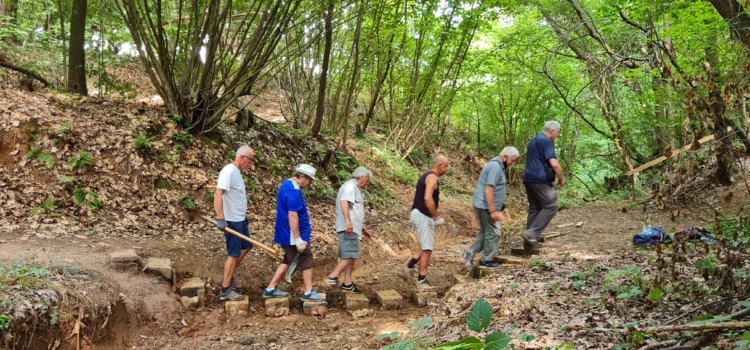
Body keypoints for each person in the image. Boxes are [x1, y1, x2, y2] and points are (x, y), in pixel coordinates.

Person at [263, 164, 325, 301]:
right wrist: (297, 239)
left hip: (286, 232)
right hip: (292, 234)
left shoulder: (286, 184)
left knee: (288, 259)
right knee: (306, 258)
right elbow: (292, 216)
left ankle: (270, 289)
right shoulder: (294, 190)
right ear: (302, 176)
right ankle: (308, 292)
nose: (309, 184)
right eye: (309, 180)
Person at [462, 146, 520, 269]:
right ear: (505, 157)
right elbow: (489, 189)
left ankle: (469, 253)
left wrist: (500, 204)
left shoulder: (497, 166)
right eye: (512, 160)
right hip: (485, 206)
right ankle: (486, 261)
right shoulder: (495, 167)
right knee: (494, 233)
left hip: (483, 205)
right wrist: (493, 210)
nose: (513, 163)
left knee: (487, 233)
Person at [398, 155, 450, 291]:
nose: (447, 169)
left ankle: (408, 267)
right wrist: (434, 215)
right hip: (422, 215)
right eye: (446, 166)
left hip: (418, 213)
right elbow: (427, 197)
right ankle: (421, 281)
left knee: (424, 245)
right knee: (427, 249)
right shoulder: (432, 177)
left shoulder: (426, 175)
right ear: (439, 165)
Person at [214, 145, 255, 301]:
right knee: (233, 254)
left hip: (240, 219)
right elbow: (218, 194)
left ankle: (227, 277)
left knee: (247, 246)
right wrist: (220, 218)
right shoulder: (229, 171)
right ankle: (225, 290)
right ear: (242, 157)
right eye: (250, 161)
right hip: (232, 221)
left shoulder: (236, 172)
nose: (250, 164)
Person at [324, 167, 373, 293]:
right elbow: (344, 202)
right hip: (347, 227)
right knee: (351, 254)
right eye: (367, 180)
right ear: (360, 177)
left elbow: (355, 211)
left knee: (350, 254)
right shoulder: (350, 186)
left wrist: (362, 228)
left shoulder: (353, 187)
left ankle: (347, 283)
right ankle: (332, 276)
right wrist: (348, 222)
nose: (367, 183)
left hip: (352, 227)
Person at [521, 121, 565, 249]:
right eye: (557, 132)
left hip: (528, 178)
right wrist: (561, 178)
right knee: (551, 206)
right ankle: (531, 234)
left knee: (535, 208)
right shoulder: (546, 141)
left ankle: (528, 243)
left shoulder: (533, 140)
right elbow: (554, 164)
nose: (557, 135)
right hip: (540, 180)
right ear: (552, 131)